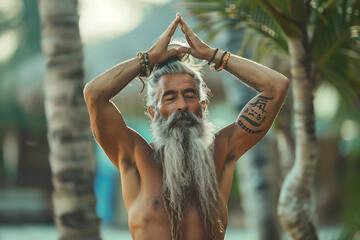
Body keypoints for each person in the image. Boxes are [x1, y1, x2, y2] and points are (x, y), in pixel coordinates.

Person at [84, 13, 289, 240]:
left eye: (189, 95)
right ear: (153, 112)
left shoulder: (222, 151)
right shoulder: (134, 155)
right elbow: (94, 94)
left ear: (202, 106)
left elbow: (277, 86)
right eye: (170, 98)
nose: (181, 105)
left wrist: (214, 56)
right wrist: (148, 59)